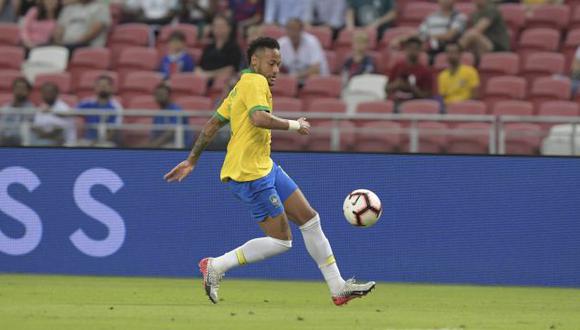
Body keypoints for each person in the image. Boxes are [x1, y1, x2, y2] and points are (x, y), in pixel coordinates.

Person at [164, 37, 375, 306]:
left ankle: (338, 287)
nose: (276, 70)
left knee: (310, 220)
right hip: (250, 175)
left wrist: (191, 159)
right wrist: (295, 125)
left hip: (265, 166)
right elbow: (258, 118)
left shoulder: (241, 85)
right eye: (271, 63)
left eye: (279, 64)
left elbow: (212, 125)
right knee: (281, 241)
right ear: (255, 61)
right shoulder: (255, 82)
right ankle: (216, 265)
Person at [278, 18, 329, 83]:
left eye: (295, 29)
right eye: (290, 29)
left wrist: (294, 77)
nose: (293, 33)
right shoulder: (281, 43)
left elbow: (315, 70)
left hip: (316, 81)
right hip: (293, 81)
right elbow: (274, 67)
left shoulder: (312, 42)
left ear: (301, 30)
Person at [76, 75, 123, 147]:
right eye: (99, 85)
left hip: (106, 143)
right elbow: (71, 114)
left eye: (105, 85)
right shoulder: (87, 103)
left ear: (112, 88)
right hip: (87, 141)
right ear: (95, 88)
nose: (102, 87)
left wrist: (96, 143)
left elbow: (113, 131)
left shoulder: (116, 107)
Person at [386, 37, 433, 106]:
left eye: (416, 49)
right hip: (396, 102)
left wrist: (412, 88)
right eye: (410, 48)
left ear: (420, 50)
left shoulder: (425, 71)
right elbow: (386, 88)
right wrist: (396, 84)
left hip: (416, 105)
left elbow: (427, 96)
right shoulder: (397, 66)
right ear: (405, 49)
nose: (413, 51)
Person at [196, 14, 243, 80]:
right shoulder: (209, 47)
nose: (217, 29)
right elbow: (198, 67)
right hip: (202, 81)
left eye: (221, 26)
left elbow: (230, 70)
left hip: (221, 83)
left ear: (229, 28)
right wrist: (200, 73)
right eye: (215, 26)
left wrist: (208, 75)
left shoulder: (234, 48)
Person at [30, 82, 77, 146]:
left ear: (56, 93)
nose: (47, 94)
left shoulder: (63, 107)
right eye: (44, 92)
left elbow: (59, 130)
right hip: (44, 141)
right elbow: (36, 126)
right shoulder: (41, 107)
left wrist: (44, 135)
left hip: (64, 143)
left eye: (50, 92)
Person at [148, 84, 189, 148]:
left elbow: (172, 132)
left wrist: (154, 144)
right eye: (157, 95)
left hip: (179, 145)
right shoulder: (158, 115)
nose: (159, 97)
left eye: (162, 94)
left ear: (169, 96)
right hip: (162, 145)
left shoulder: (176, 110)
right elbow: (153, 135)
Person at [0, 77, 35, 146]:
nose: (20, 91)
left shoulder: (30, 109)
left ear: (28, 91)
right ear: (13, 89)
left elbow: (24, 129)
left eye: (23, 89)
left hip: (18, 140)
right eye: (18, 88)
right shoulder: (5, 107)